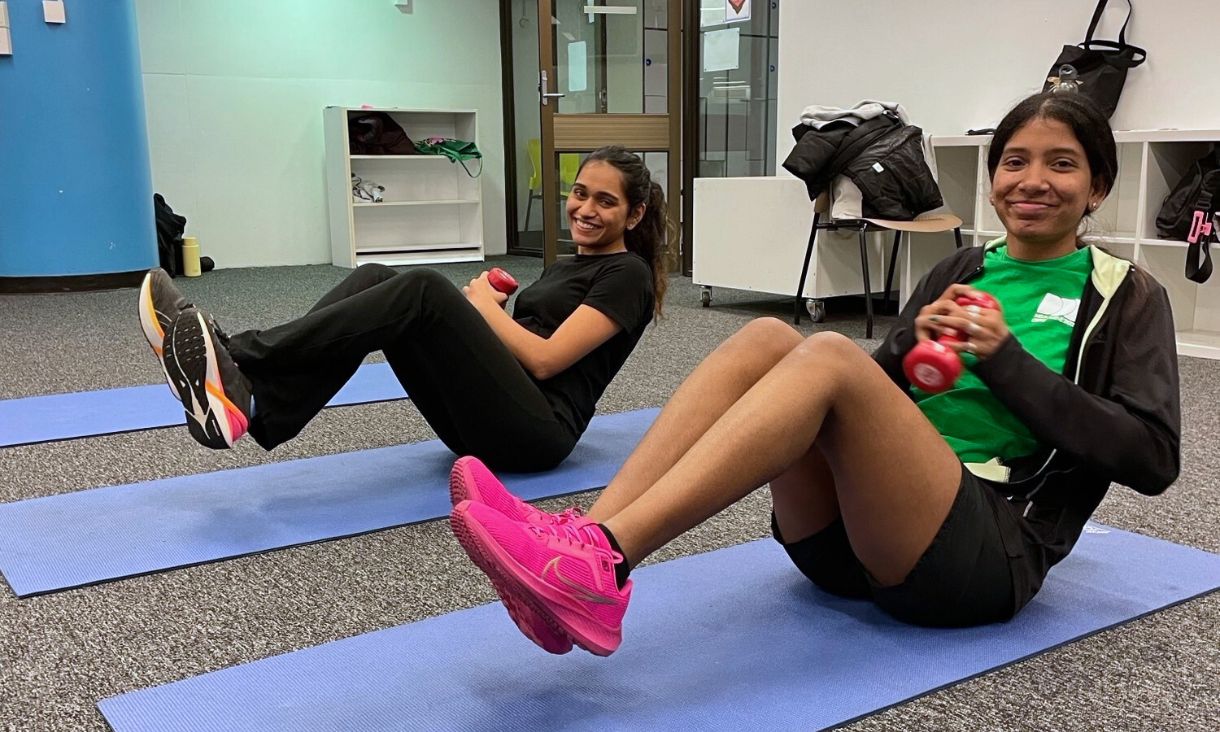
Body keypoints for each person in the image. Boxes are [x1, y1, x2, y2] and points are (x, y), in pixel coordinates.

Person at [448, 92, 1181, 657]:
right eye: (1015, 161)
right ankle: (585, 540)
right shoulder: (962, 271)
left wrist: (1007, 360)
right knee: (769, 336)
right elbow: (879, 400)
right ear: (993, 182)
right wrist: (900, 354)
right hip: (850, 546)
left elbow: (1150, 459)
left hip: (978, 560)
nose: (1033, 180)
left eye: (1062, 164)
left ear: (1097, 188)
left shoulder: (1127, 295)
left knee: (826, 353)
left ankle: (601, 565)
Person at [137, 145, 668, 472]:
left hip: (535, 439)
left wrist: (482, 308)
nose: (586, 209)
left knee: (422, 290)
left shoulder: (628, 275)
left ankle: (238, 356)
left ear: (635, 213)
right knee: (376, 280)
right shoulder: (567, 264)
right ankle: (256, 407)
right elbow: (517, 356)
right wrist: (492, 314)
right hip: (489, 426)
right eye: (580, 193)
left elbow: (548, 361)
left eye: (606, 201)